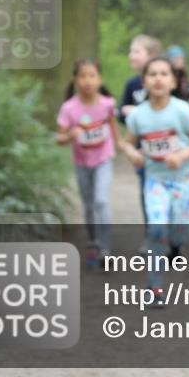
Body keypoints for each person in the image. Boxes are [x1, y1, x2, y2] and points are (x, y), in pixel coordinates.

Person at [124, 57, 189, 301]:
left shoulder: (182, 110)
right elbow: (128, 143)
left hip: (185, 179)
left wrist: (181, 156)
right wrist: (133, 154)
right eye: (152, 74)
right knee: (157, 227)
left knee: (179, 233)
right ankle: (155, 287)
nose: (158, 78)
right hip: (155, 181)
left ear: (173, 81)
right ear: (144, 82)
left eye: (164, 74)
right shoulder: (138, 116)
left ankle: (175, 245)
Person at [56, 60, 135, 267]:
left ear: (100, 79)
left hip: (103, 158)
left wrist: (121, 144)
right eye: (83, 76)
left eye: (92, 76)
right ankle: (93, 240)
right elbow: (60, 138)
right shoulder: (69, 108)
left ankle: (105, 248)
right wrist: (71, 135)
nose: (87, 81)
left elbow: (111, 125)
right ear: (75, 80)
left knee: (100, 200)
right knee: (89, 204)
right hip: (82, 162)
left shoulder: (107, 104)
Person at [119, 34, 163, 241]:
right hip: (142, 149)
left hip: (168, 149)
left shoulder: (166, 80)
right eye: (131, 51)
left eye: (136, 51)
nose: (131, 55)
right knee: (147, 191)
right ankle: (151, 237)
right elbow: (121, 114)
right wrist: (125, 112)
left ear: (151, 55)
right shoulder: (131, 85)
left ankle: (173, 238)